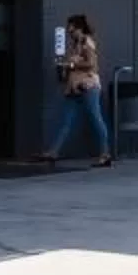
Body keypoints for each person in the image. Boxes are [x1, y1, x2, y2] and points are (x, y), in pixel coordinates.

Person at [48, 12, 111, 167]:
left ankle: (105, 154)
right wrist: (65, 68)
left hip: (87, 86)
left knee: (95, 119)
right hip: (74, 88)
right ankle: (53, 152)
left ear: (78, 28)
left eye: (70, 27)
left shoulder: (86, 42)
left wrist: (70, 65)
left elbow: (92, 65)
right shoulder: (75, 44)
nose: (68, 30)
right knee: (66, 121)